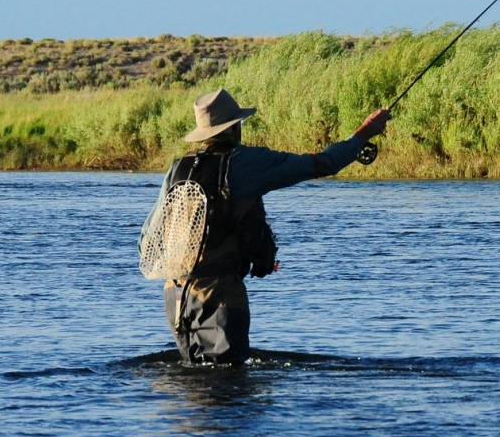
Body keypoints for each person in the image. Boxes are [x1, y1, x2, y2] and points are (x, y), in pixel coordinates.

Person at [155, 88, 390, 364]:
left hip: (175, 292)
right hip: (219, 293)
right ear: (234, 128)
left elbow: (152, 234)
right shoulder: (245, 163)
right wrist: (365, 132)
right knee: (229, 388)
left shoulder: (178, 168)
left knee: (190, 390)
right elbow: (324, 163)